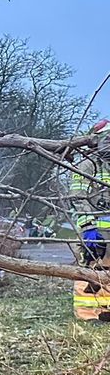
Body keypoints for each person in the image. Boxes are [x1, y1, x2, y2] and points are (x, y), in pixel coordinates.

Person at [71, 119, 110, 321]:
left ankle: (106, 311)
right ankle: (88, 314)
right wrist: (87, 227)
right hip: (94, 231)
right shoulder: (87, 165)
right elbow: (77, 197)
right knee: (89, 271)